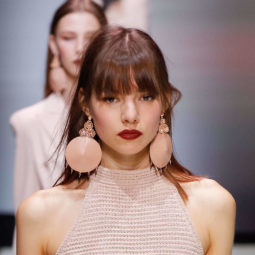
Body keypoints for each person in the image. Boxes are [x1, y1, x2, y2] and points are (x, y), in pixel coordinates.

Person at [16, 25, 236, 255]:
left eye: (146, 97)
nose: (130, 115)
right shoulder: (40, 215)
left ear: (164, 101)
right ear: (85, 103)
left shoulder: (213, 206)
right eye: (111, 98)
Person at [10, 0, 107, 212]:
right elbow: (26, 214)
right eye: (68, 38)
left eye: (91, 38)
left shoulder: (124, 115)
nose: (80, 47)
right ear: (53, 44)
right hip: (55, 243)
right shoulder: (29, 122)